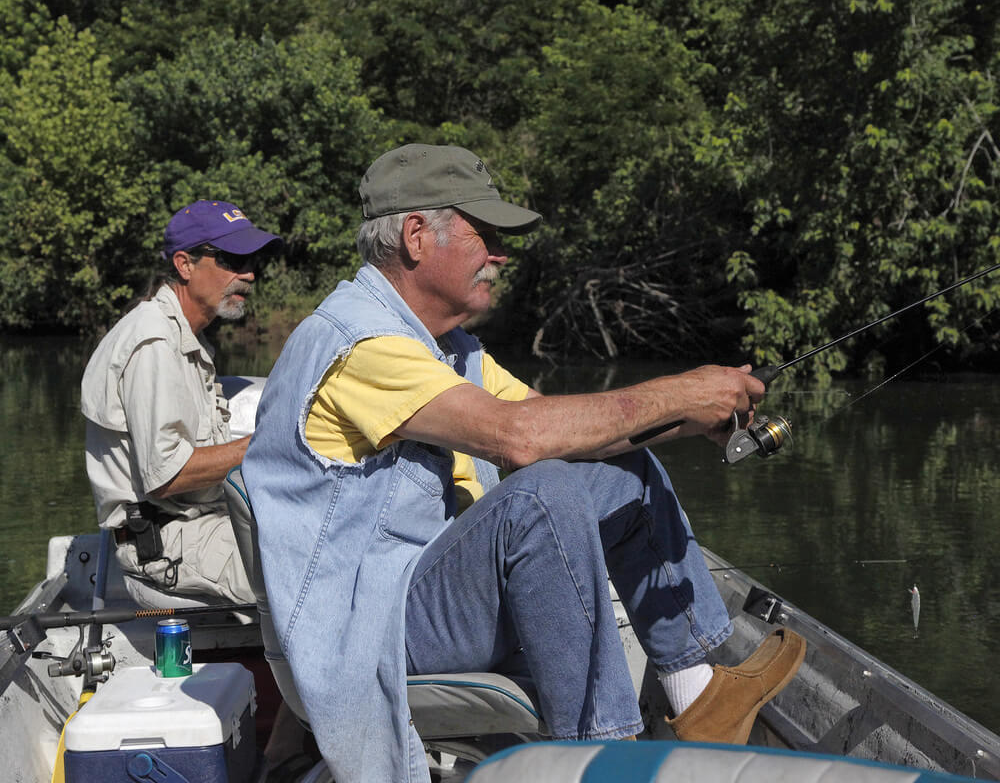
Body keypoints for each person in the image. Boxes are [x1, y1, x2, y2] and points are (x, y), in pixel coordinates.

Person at [242, 145, 806, 782]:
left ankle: (698, 693)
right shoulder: (360, 343)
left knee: (617, 470)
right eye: (486, 236)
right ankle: (604, 759)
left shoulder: (446, 349)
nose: (501, 256)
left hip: (419, 597)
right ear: (417, 235)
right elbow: (520, 439)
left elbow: (565, 428)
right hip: (367, 628)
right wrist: (680, 390)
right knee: (542, 495)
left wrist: (690, 417)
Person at [81, 199, 282, 606]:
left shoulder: (186, 337)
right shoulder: (153, 343)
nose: (249, 274)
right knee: (311, 565)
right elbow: (166, 477)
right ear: (185, 265)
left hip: (200, 522)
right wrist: (266, 446)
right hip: (165, 543)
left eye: (251, 259)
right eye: (231, 259)